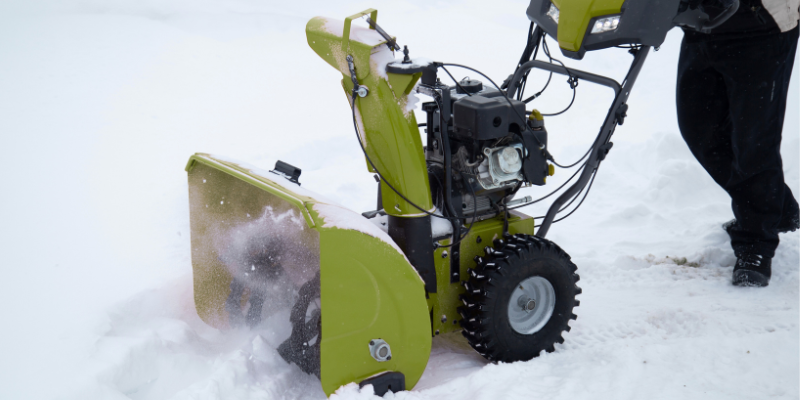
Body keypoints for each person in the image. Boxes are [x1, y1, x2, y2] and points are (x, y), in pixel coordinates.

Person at [676, 0, 799, 287]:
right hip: (701, 24)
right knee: (699, 131)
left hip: (761, 29)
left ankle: (756, 243)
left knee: (754, 144)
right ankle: (776, 206)